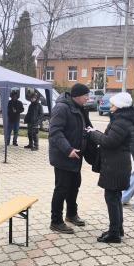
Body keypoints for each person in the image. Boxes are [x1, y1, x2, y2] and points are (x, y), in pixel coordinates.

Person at [86, 92, 134, 243]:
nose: (110, 107)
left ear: (120, 106)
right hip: (118, 163)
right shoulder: (124, 119)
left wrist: (93, 134)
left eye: (113, 104)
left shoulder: (121, 121)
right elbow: (112, 139)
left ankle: (114, 233)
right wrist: (97, 133)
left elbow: (109, 142)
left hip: (115, 165)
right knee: (115, 197)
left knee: (112, 198)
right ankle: (117, 229)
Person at [48, 83, 91, 234]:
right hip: (64, 156)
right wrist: (68, 149)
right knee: (62, 189)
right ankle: (56, 221)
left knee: (74, 186)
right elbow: (55, 132)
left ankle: (71, 214)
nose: (88, 98)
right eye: (86, 95)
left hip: (76, 156)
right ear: (77, 96)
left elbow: (86, 128)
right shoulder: (62, 108)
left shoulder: (80, 108)